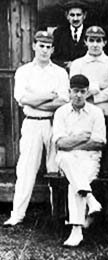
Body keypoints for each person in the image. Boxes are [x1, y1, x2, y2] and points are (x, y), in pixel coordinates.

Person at [3, 31, 69, 227]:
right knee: (26, 169)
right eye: (41, 45)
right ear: (34, 46)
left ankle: (59, 215)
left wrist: (36, 100)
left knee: (55, 168)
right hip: (31, 122)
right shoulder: (23, 72)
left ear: (53, 49)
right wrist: (49, 95)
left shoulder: (60, 72)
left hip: (54, 122)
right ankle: (17, 214)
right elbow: (22, 99)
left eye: (48, 47)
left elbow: (63, 101)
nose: (45, 50)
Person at [70, 25, 108, 228]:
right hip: (86, 118)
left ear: (105, 42)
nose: (94, 44)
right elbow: (75, 87)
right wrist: (98, 90)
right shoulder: (78, 63)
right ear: (85, 42)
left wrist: (93, 95)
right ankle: (89, 212)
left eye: (98, 40)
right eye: (91, 40)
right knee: (87, 163)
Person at [53, 74, 105, 247]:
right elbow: (60, 143)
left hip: (89, 159)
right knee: (67, 161)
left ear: (87, 92)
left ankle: (76, 231)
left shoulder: (96, 112)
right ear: (69, 92)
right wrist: (82, 137)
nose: (78, 95)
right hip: (66, 158)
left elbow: (99, 142)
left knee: (74, 182)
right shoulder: (61, 112)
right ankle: (90, 199)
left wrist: (72, 142)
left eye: (82, 91)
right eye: (75, 91)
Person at [52, 0, 88, 70]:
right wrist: (65, 64)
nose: (75, 18)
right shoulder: (59, 33)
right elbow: (53, 57)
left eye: (78, 15)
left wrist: (76, 65)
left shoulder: (89, 32)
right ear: (67, 16)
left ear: (84, 15)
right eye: (72, 15)